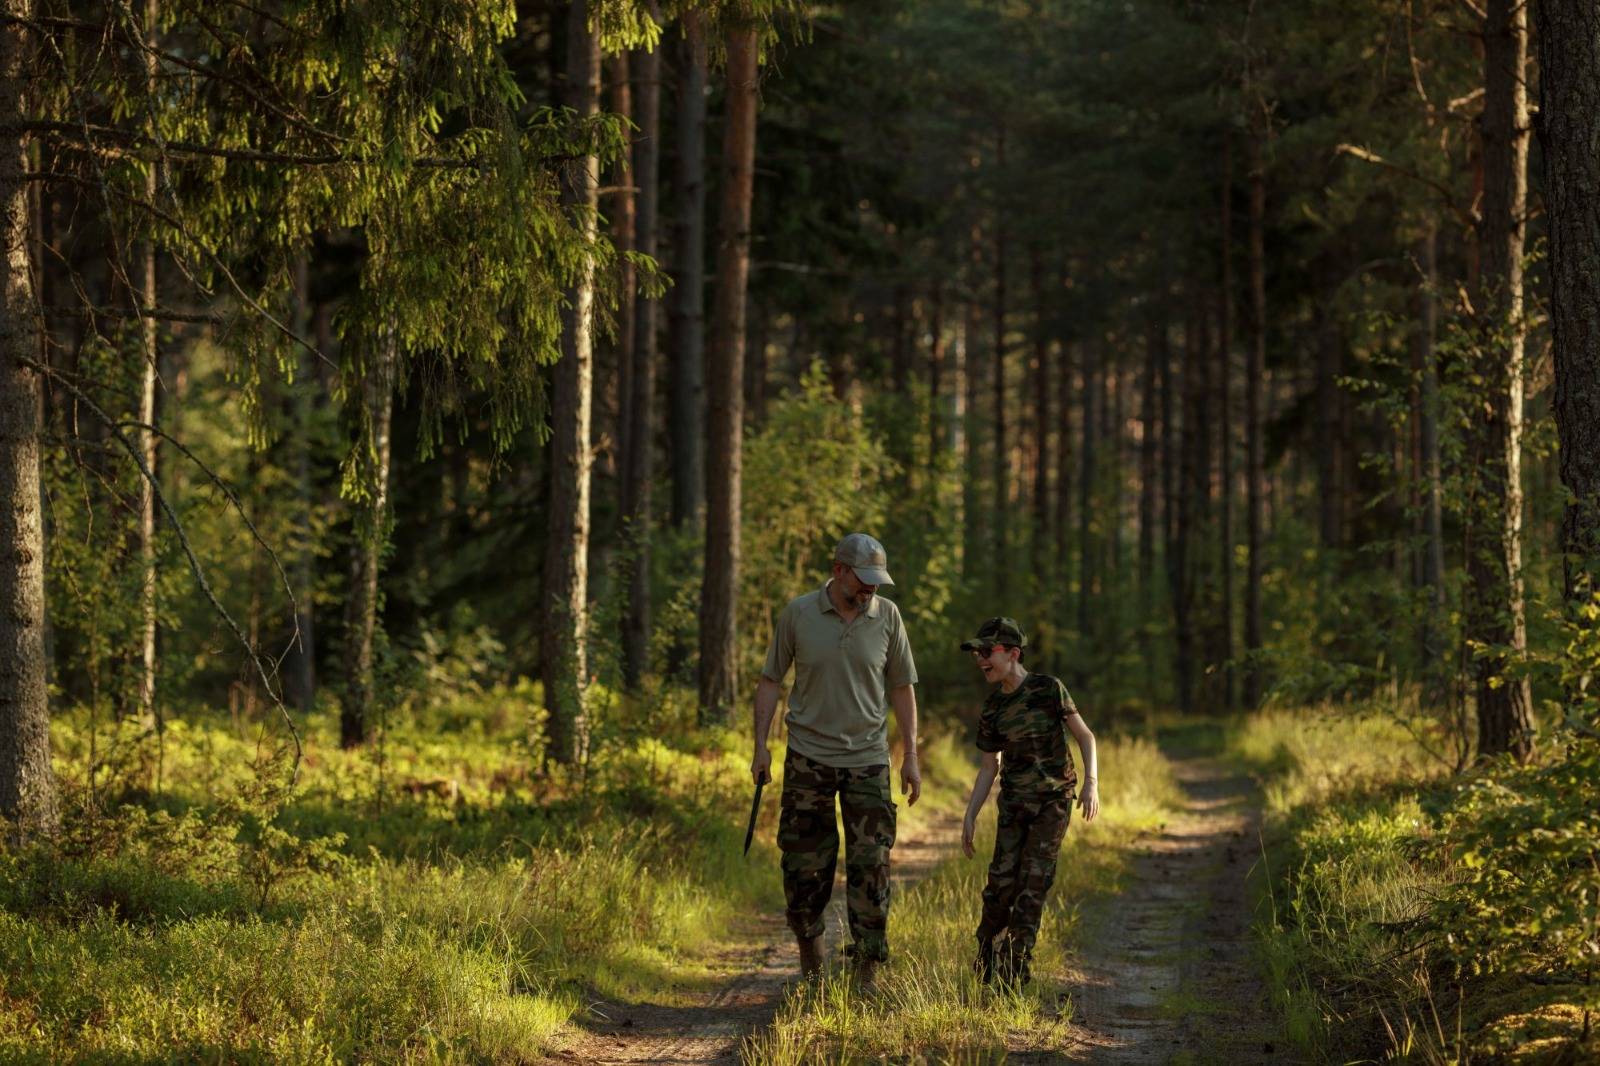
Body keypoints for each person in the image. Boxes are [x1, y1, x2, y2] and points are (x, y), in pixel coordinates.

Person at [751, 532, 921, 987]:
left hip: (868, 760)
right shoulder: (799, 613)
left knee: (872, 866)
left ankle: (865, 978)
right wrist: (760, 746)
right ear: (838, 570)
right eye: (863, 579)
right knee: (805, 866)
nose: (870, 588)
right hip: (808, 758)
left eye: (876, 581)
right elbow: (770, 680)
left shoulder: (887, 617)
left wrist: (911, 754)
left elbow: (903, 686)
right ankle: (813, 970)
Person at [959, 616, 1099, 987]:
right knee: (1001, 885)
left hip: (1054, 802)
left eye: (987, 651)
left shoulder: (1048, 689)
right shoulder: (992, 709)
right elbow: (989, 768)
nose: (980, 660)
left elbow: (1086, 737)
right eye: (977, 654)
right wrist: (970, 815)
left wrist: (1091, 784)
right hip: (1014, 805)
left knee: (1033, 883)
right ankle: (987, 955)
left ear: (1014, 653)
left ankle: (1016, 970)